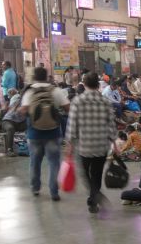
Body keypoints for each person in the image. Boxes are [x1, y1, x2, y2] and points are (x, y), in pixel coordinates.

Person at [68, 72, 117, 214]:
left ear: (84, 84)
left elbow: (72, 125)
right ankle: (93, 200)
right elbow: (111, 124)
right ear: (98, 84)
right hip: (101, 146)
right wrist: (114, 142)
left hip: (84, 146)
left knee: (85, 174)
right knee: (97, 174)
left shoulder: (77, 101)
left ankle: (95, 196)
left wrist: (70, 144)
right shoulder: (105, 102)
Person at [19, 67, 70, 200]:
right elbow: (68, 108)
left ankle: (35, 188)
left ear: (34, 77)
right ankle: (54, 192)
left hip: (34, 133)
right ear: (47, 77)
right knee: (54, 162)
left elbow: (23, 111)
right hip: (53, 132)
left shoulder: (29, 91)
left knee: (35, 162)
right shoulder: (56, 90)